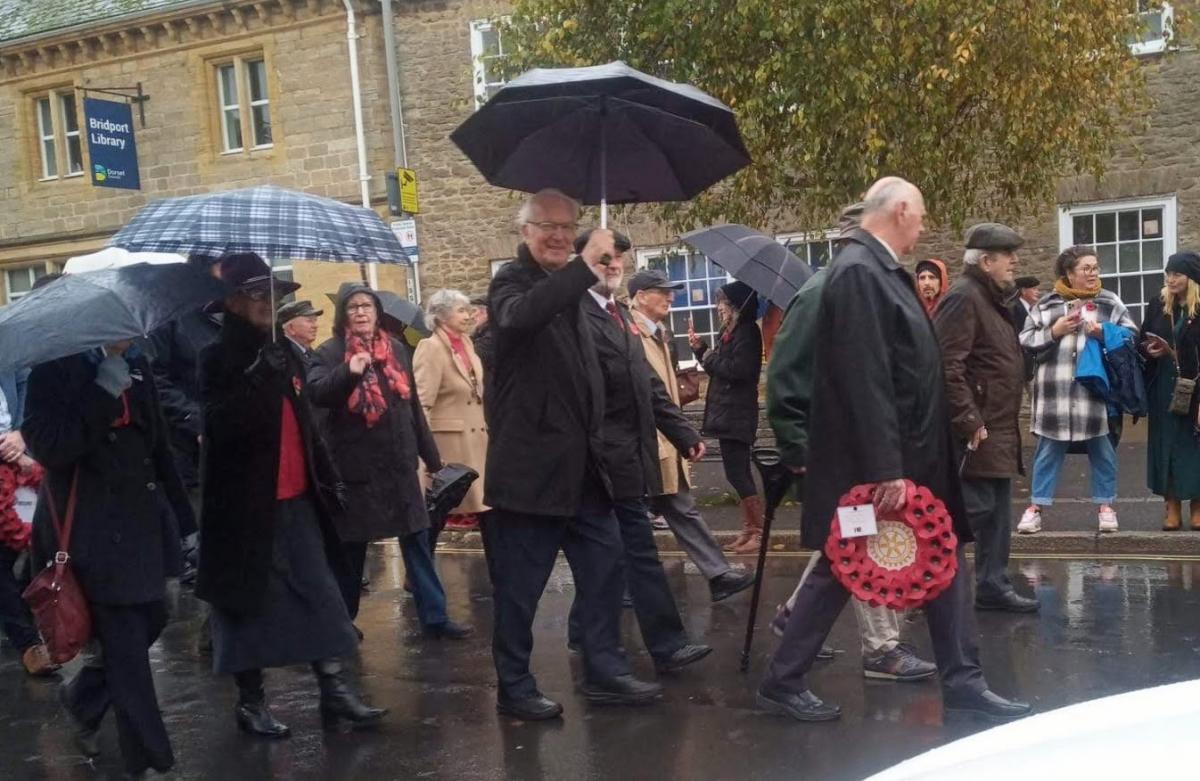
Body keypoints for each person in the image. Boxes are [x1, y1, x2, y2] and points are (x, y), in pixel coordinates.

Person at [758, 177, 1030, 724]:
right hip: (881, 468)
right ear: (902, 210)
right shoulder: (860, 272)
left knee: (938, 556)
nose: (925, 226)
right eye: (923, 215)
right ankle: (784, 680)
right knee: (844, 564)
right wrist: (887, 468)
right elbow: (865, 376)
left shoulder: (873, 269)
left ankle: (962, 679)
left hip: (908, 460)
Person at [484, 188, 662, 721]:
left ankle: (604, 669)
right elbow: (520, 319)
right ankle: (513, 686)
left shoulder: (578, 296)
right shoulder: (510, 284)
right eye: (548, 226)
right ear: (525, 232)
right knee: (520, 589)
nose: (560, 235)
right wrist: (584, 266)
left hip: (585, 468)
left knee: (606, 568)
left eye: (568, 226)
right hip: (531, 472)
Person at [197, 254, 385, 739]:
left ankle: (335, 689)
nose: (267, 303)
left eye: (272, 294)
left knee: (320, 593)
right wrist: (257, 376)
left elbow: (306, 422)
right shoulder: (216, 357)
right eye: (257, 295)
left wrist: (327, 475)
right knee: (247, 605)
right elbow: (220, 426)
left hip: (298, 495)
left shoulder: (287, 352)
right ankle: (251, 700)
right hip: (244, 507)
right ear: (234, 302)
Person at [766, 201, 936, 681]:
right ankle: (882, 649)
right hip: (841, 456)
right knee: (865, 543)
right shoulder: (826, 289)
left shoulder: (856, 284)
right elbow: (784, 375)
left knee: (844, 546)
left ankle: (792, 618)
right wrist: (798, 448)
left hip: (863, 450)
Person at [24, 337, 194, 775]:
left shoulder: (138, 366)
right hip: (92, 533)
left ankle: (84, 699)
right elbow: (51, 448)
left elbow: (158, 450)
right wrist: (101, 391)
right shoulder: (54, 371)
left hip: (145, 523)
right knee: (127, 649)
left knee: (153, 618)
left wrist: (186, 522)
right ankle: (150, 759)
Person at [569, 232, 713, 672]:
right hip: (597, 462)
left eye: (619, 263)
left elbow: (647, 385)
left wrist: (682, 432)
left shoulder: (620, 317)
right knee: (612, 557)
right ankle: (602, 649)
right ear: (584, 263)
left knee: (635, 553)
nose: (613, 267)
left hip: (632, 458)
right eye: (604, 260)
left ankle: (665, 647)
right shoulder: (575, 316)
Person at [308, 284, 471, 639]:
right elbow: (318, 393)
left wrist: (431, 457)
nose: (362, 312)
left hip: (398, 465)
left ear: (377, 312)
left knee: (417, 540)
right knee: (351, 553)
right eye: (353, 308)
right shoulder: (329, 352)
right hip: (356, 469)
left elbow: (411, 407)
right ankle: (342, 623)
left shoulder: (395, 348)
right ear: (343, 316)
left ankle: (435, 617)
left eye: (367, 306)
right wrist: (349, 371)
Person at [628, 268, 755, 603]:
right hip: (638, 442)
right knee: (626, 521)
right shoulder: (626, 332)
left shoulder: (656, 333)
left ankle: (717, 574)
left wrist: (682, 433)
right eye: (663, 291)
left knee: (681, 507)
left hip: (664, 437)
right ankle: (607, 598)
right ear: (641, 296)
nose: (672, 297)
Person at [934, 223, 1039, 613]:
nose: (1014, 261)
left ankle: (992, 585)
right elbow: (946, 366)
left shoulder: (991, 298)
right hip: (976, 429)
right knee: (966, 514)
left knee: (995, 512)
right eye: (1006, 255)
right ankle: (933, 585)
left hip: (996, 426)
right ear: (985, 261)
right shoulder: (964, 297)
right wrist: (968, 419)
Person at [1017, 246, 1137, 534]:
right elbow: (1024, 340)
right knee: (1047, 452)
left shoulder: (1109, 302)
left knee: (1103, 451)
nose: (1093, 273)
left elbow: (1132, 335)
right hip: (1054, 394)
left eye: (1095, 267)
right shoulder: (1046, 305)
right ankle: (1036, 508)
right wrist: (1055, 331)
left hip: (1095, 394)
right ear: (1069, 274)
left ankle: (1105, 507)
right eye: (1086, 268)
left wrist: (1104, 333)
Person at [688, 281, 764, 554]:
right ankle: (748, 531)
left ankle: (755, 532)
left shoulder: (748, 333)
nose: (719, 308)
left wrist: (707, 355)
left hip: (739, 413)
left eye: (724, 303)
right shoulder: (728, 332)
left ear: (736, 307)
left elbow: (738, 371)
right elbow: (720, 368)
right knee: (736, 472)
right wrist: (701, 349)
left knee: (738, 473)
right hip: (728, 413)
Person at [413, 289, 488, 533]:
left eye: (469, 310)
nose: (469, 315)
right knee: (442, 517)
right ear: (442, 316)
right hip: (450, 447)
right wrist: (423, 455)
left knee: (485, 513)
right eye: (461, 310)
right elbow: (422, 402)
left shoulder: (467, 342)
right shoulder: (430, 347)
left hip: (478, 441)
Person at [0, 370, 57, 677]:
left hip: (16, 461)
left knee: (33, 547)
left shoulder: (7, 342)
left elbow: (23, 382)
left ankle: (29, 626)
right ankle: (27, 643)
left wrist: (21, 435)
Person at [1141, 251, 1200, 531]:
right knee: (1167, 445)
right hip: (1164, 385)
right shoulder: (1157, 304)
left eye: (1177, 274)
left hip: (1195, 385)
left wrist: (1174, 352)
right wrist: (1150, 350)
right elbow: (1143, 337)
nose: (1171, 279)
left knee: (1194, 444)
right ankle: (1172, 506)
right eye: (1169, 273)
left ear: (1192, 277)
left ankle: (1198, 506)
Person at [278, 299, 324, 366]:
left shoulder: (311, 353)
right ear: (291, 328)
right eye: (309, 321)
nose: (315, 326)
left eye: (315, 320)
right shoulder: (282, 358)